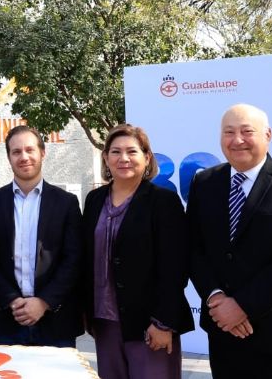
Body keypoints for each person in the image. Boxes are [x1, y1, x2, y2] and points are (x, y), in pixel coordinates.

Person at [187, 104, 272, 379]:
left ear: (268, 135)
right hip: (226, 336)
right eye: (229, 132)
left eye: (246, 131)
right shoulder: (205, 183)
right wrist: (216, 299)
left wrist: (241, 306)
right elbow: (193, 248)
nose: (237, 140)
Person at [81, 124, 193, 379]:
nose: (124, 159)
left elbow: (175, 268)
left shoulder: (163, 202)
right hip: (105, 321)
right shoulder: (94, 200)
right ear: (106, 158)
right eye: (115, 152)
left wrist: (163, 322)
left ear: (147, 157)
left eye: (132, 151)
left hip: (149, 324)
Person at [0, 125, 83, 347]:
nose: (24, 157)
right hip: (8, 319)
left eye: (30, 150)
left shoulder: (66, 203)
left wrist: (43, 302)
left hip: (56, 319)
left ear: (42, 153)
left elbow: (74, 259)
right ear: (9, 157)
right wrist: (12, 299)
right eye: (16, 152)